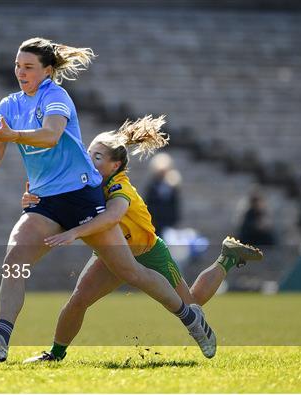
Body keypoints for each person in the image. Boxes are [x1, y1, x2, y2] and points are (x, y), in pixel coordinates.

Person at [0, 37, 217, 361]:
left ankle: (191, 317)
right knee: (14, 260)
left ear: (48, 71)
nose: (20, 72)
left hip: (81, 195)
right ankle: (0, 341)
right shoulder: (8, 105)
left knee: (130, 271)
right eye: (17, 66)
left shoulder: (56, 95)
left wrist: (13, 135)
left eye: (28, 67)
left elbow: (51, 135)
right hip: (46, 201)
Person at [19, 115, 263, 362]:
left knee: (192, 303)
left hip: (148, 252)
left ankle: (227, 258)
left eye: (97, 157)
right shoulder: (85, 181)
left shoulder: (119, 187)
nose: (89, 160)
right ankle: (54, 355)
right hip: (111, 252)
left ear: (114, 166)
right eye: (89, 153)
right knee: (79, 299)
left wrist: (74, 232)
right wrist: (31, 198)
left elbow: (112, 217)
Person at [145, 152, 181, 237]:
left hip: (168, 222)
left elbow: (175, 205)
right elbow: (148, 203)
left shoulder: (172, 184)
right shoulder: (152, 185)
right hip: (155, 223)